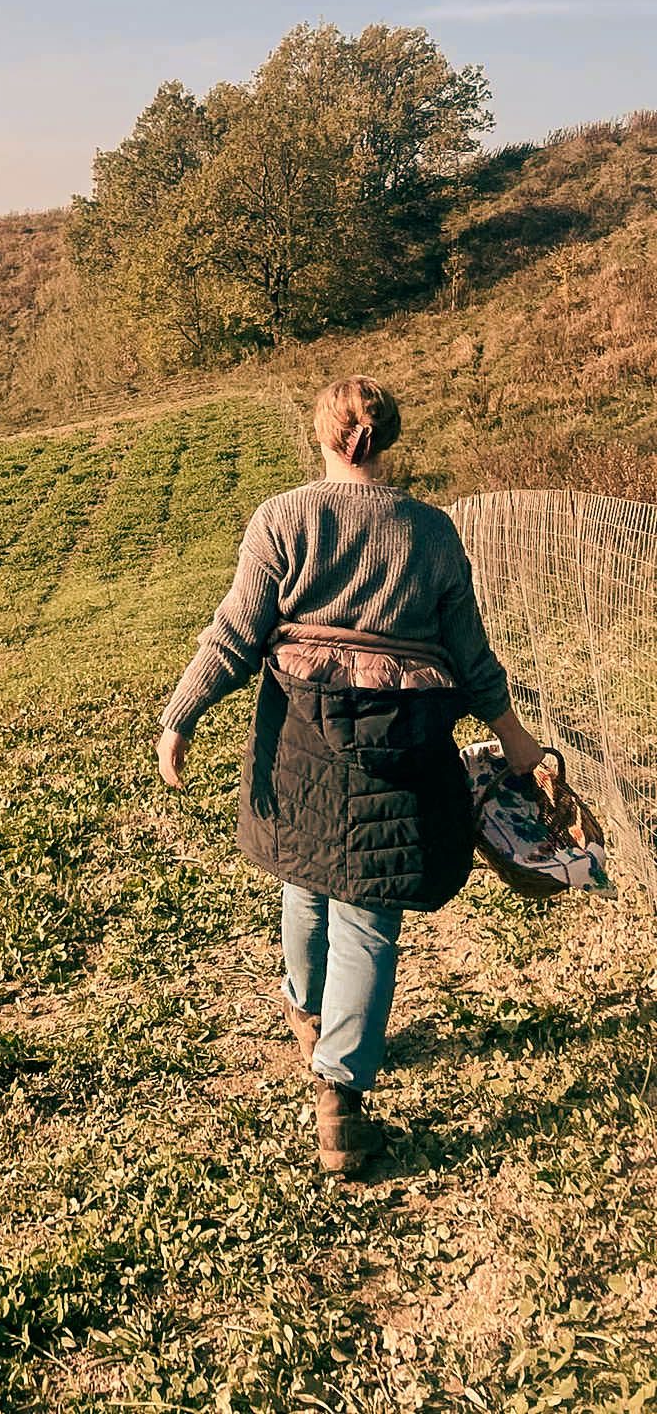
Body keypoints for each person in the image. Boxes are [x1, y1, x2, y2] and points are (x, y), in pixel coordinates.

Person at [155, 376, 545, 1175]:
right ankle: (339, 1098)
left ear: (324, 438)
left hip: (301, 731)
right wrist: (515, 739)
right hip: (402, 745)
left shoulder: (283, 518)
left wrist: (180, 715)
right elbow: (469, 656)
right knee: (368, 908)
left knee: (304, 877)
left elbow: (236, 632)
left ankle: (307, 1015)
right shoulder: (431, 533)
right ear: (387, 439)